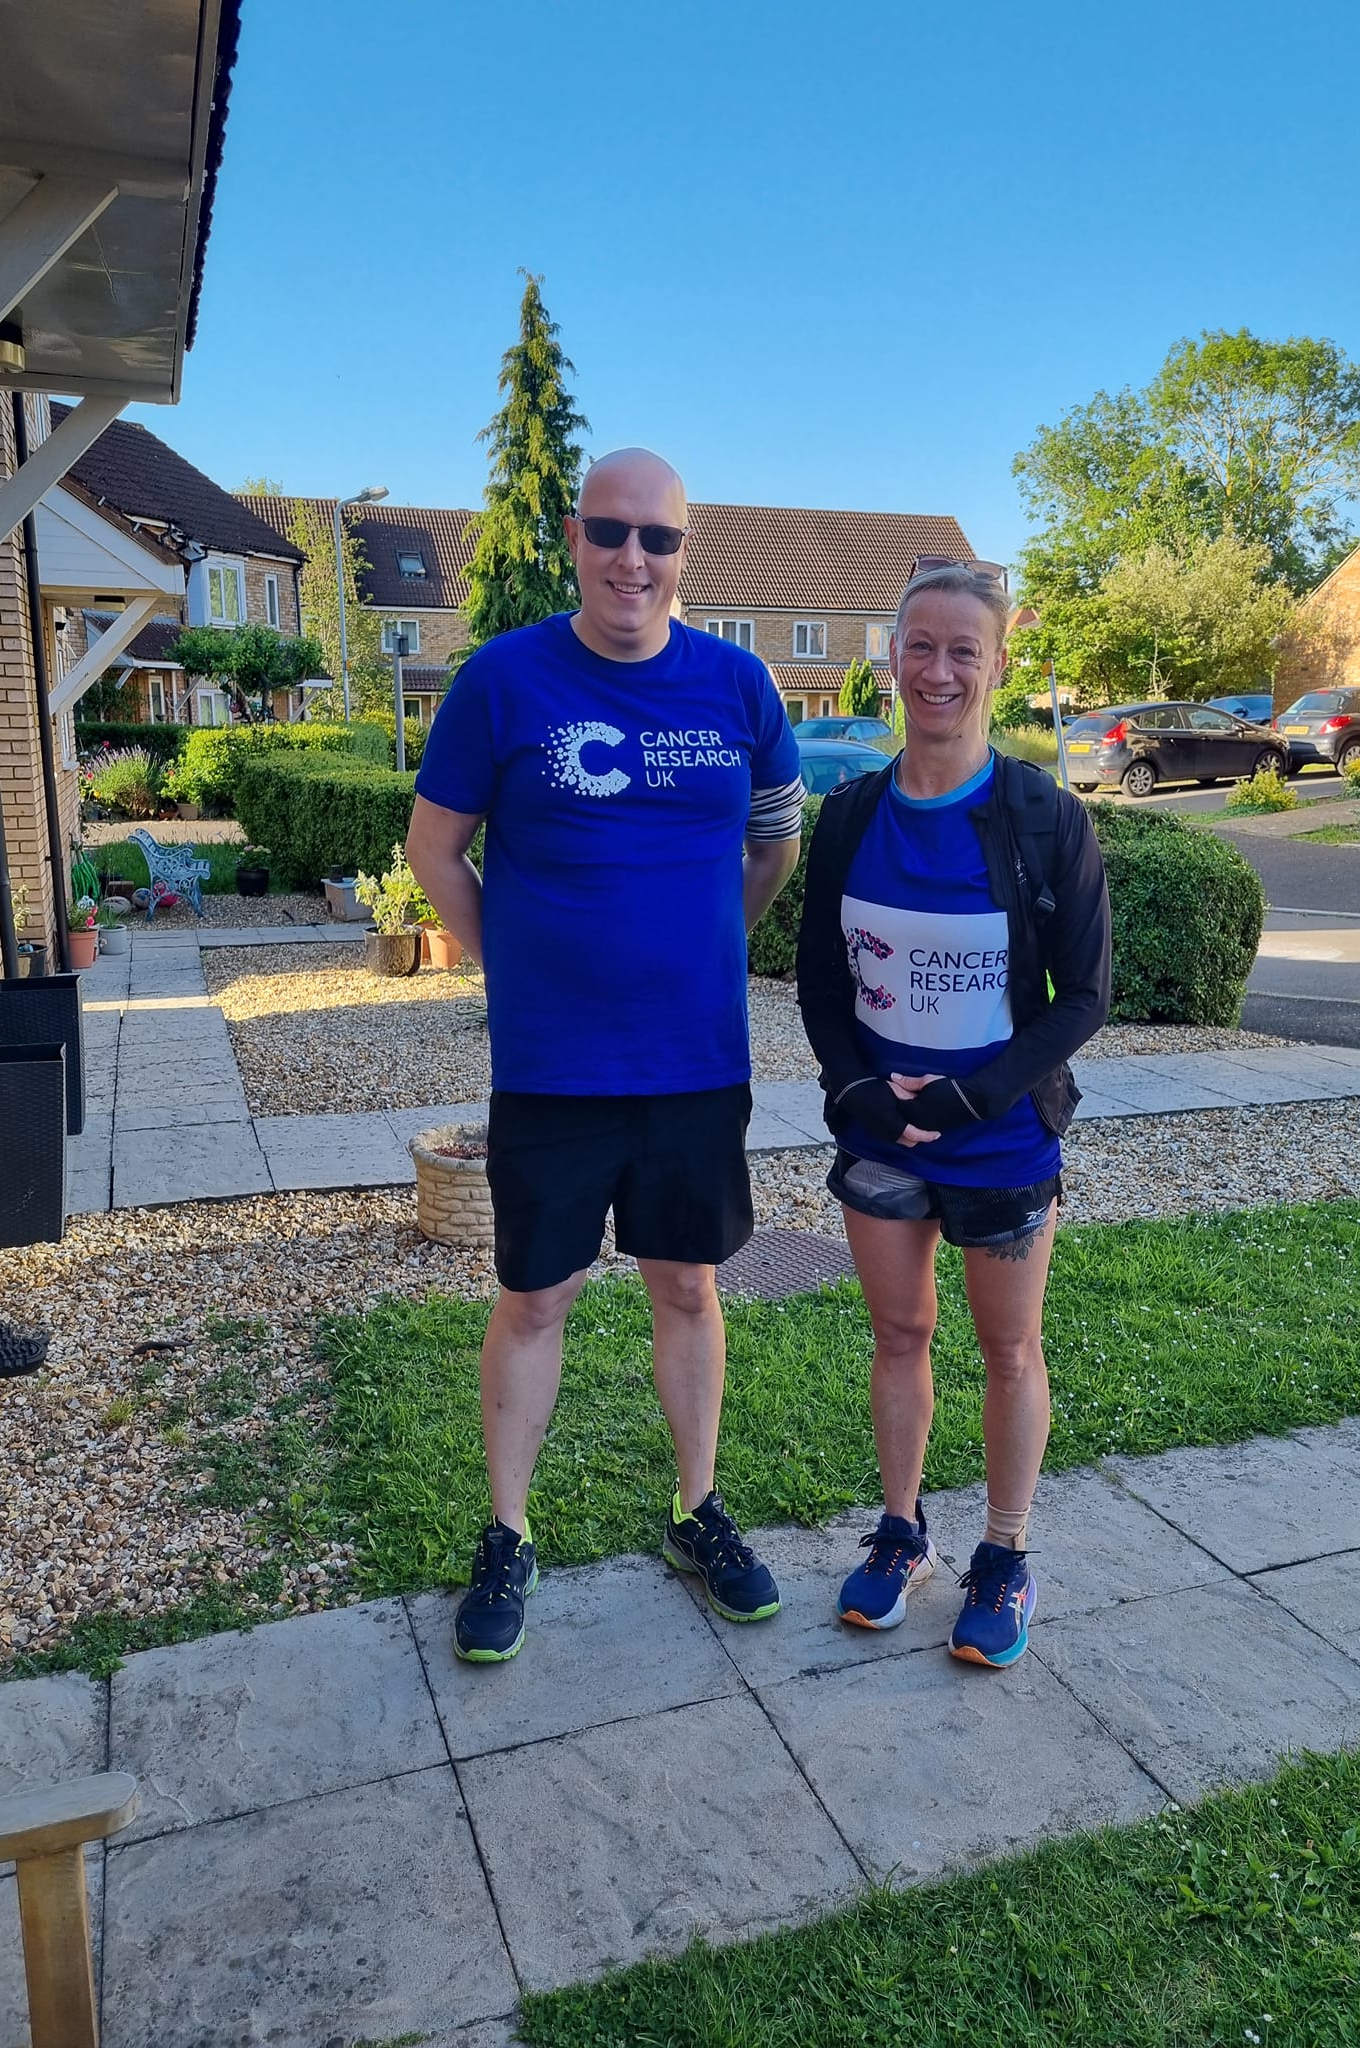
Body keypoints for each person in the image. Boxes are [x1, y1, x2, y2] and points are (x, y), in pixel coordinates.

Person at [405, 448, 805, 1664]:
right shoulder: (503, 680)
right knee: (537, 1294)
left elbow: (774, 845)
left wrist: (711, 945)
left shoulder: (740, 684)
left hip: (693, 1059)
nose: (635, 557)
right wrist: (512, 963)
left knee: (686, 1284)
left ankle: (698, 1510)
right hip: (553, 1067)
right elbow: (434, 854)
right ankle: (509, 1532)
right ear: (576, 537)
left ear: (688, 552)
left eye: (660, 538)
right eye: (612, 531)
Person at [796, 563, 1111, 1667]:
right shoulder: (845, 821)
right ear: (893, 659)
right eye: (919, 645)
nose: (938, 669)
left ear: (998, 665)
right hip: (882, 1136)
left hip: (1004, 1137)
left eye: (962, 650)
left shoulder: (1044, 818)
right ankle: (900, 1532)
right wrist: (862, 1090)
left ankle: (1007, 1554)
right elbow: (824, 989)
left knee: (1009, 1346)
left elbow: (1085, 994)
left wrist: (979, 1092)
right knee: (899, 1333)